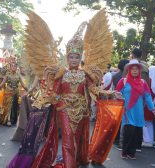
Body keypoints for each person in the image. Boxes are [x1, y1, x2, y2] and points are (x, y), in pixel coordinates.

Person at [24, 10, 116, 168]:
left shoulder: (85, 73)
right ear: (67, 58)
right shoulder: (61, 73)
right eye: (71, 57)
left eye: (77, 57)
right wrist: (60, 101)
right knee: (67, 140)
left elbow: (92, 88)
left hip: (81, 110)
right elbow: (54, 92)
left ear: (80, 58)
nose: (74, 60)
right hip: (65, 110)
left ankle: (77, 160)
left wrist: (108, 92)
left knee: (77, 138)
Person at [116, 59, 155, 160]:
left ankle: (132, 153)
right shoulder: (123, 81)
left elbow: (147, 96)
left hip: (138, 112)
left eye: (136, 69)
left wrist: (153, 109)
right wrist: (119, 97)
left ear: (139, 71)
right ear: (129, 70)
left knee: (136, 133)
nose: (134, 71)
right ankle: (125, 152)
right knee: (129, 131)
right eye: (132, 69)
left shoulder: (143, 82)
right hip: (127, 111)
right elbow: (116, 93)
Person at [0, 61, 27, 126]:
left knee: (15, 107)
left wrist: (29, 90)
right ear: (10, 67)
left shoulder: (18, 75)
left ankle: (13, 120)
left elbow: (23, 85)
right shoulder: (7, 74)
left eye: (15, 66)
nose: (14, 67)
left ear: (16, 67)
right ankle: (8, 120)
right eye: (12, 66)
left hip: (16, 92)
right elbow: (3, 83)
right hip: (8, 92)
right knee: (8, 106)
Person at [142, 66, 155, 147]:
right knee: (150, 123)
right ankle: (151, 139)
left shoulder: (147, 80)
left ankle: (147, 140)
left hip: (147, 104)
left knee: (145, 123)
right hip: (154, 105)